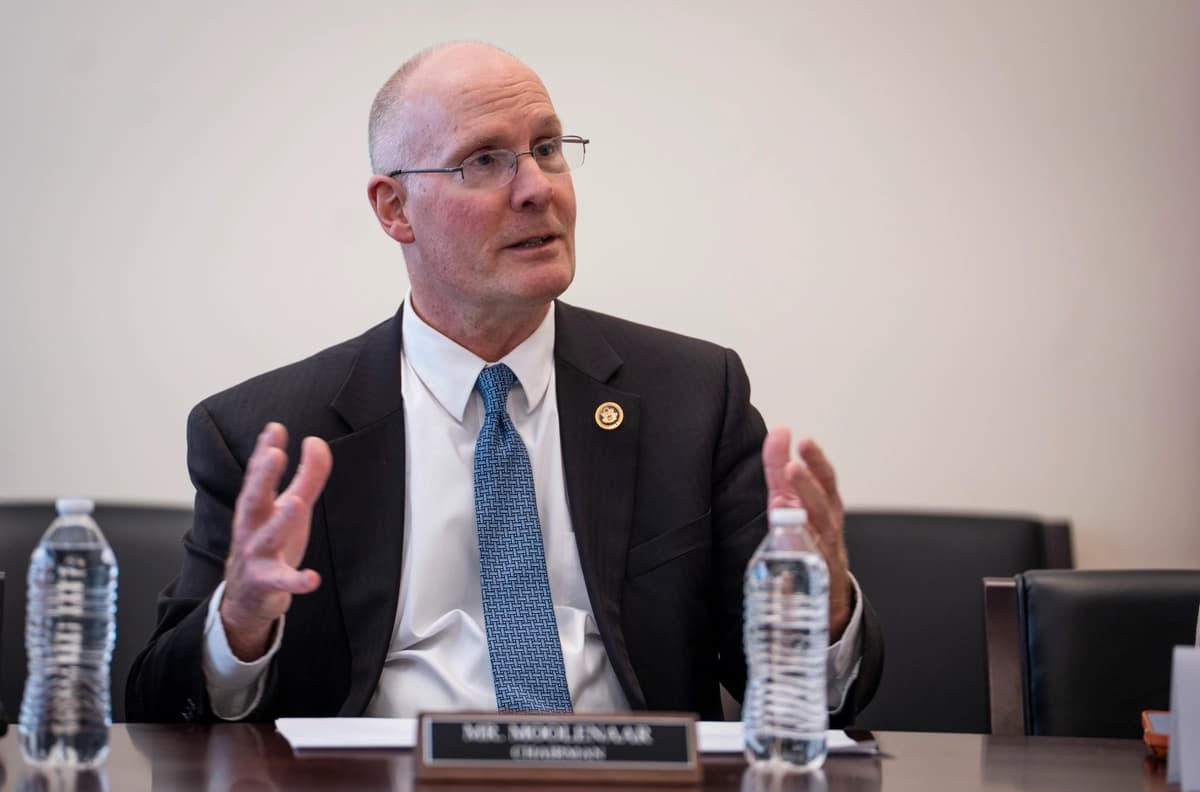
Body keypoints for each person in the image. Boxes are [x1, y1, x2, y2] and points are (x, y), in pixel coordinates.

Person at [126, 41, 882, 724]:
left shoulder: (693, 397)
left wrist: (820, 609)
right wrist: (241, 623)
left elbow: (802, 695)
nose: (536, 189)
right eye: (483, 161)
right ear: (395, 209)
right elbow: (161, 708)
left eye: (547, 149)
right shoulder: (271, 435)